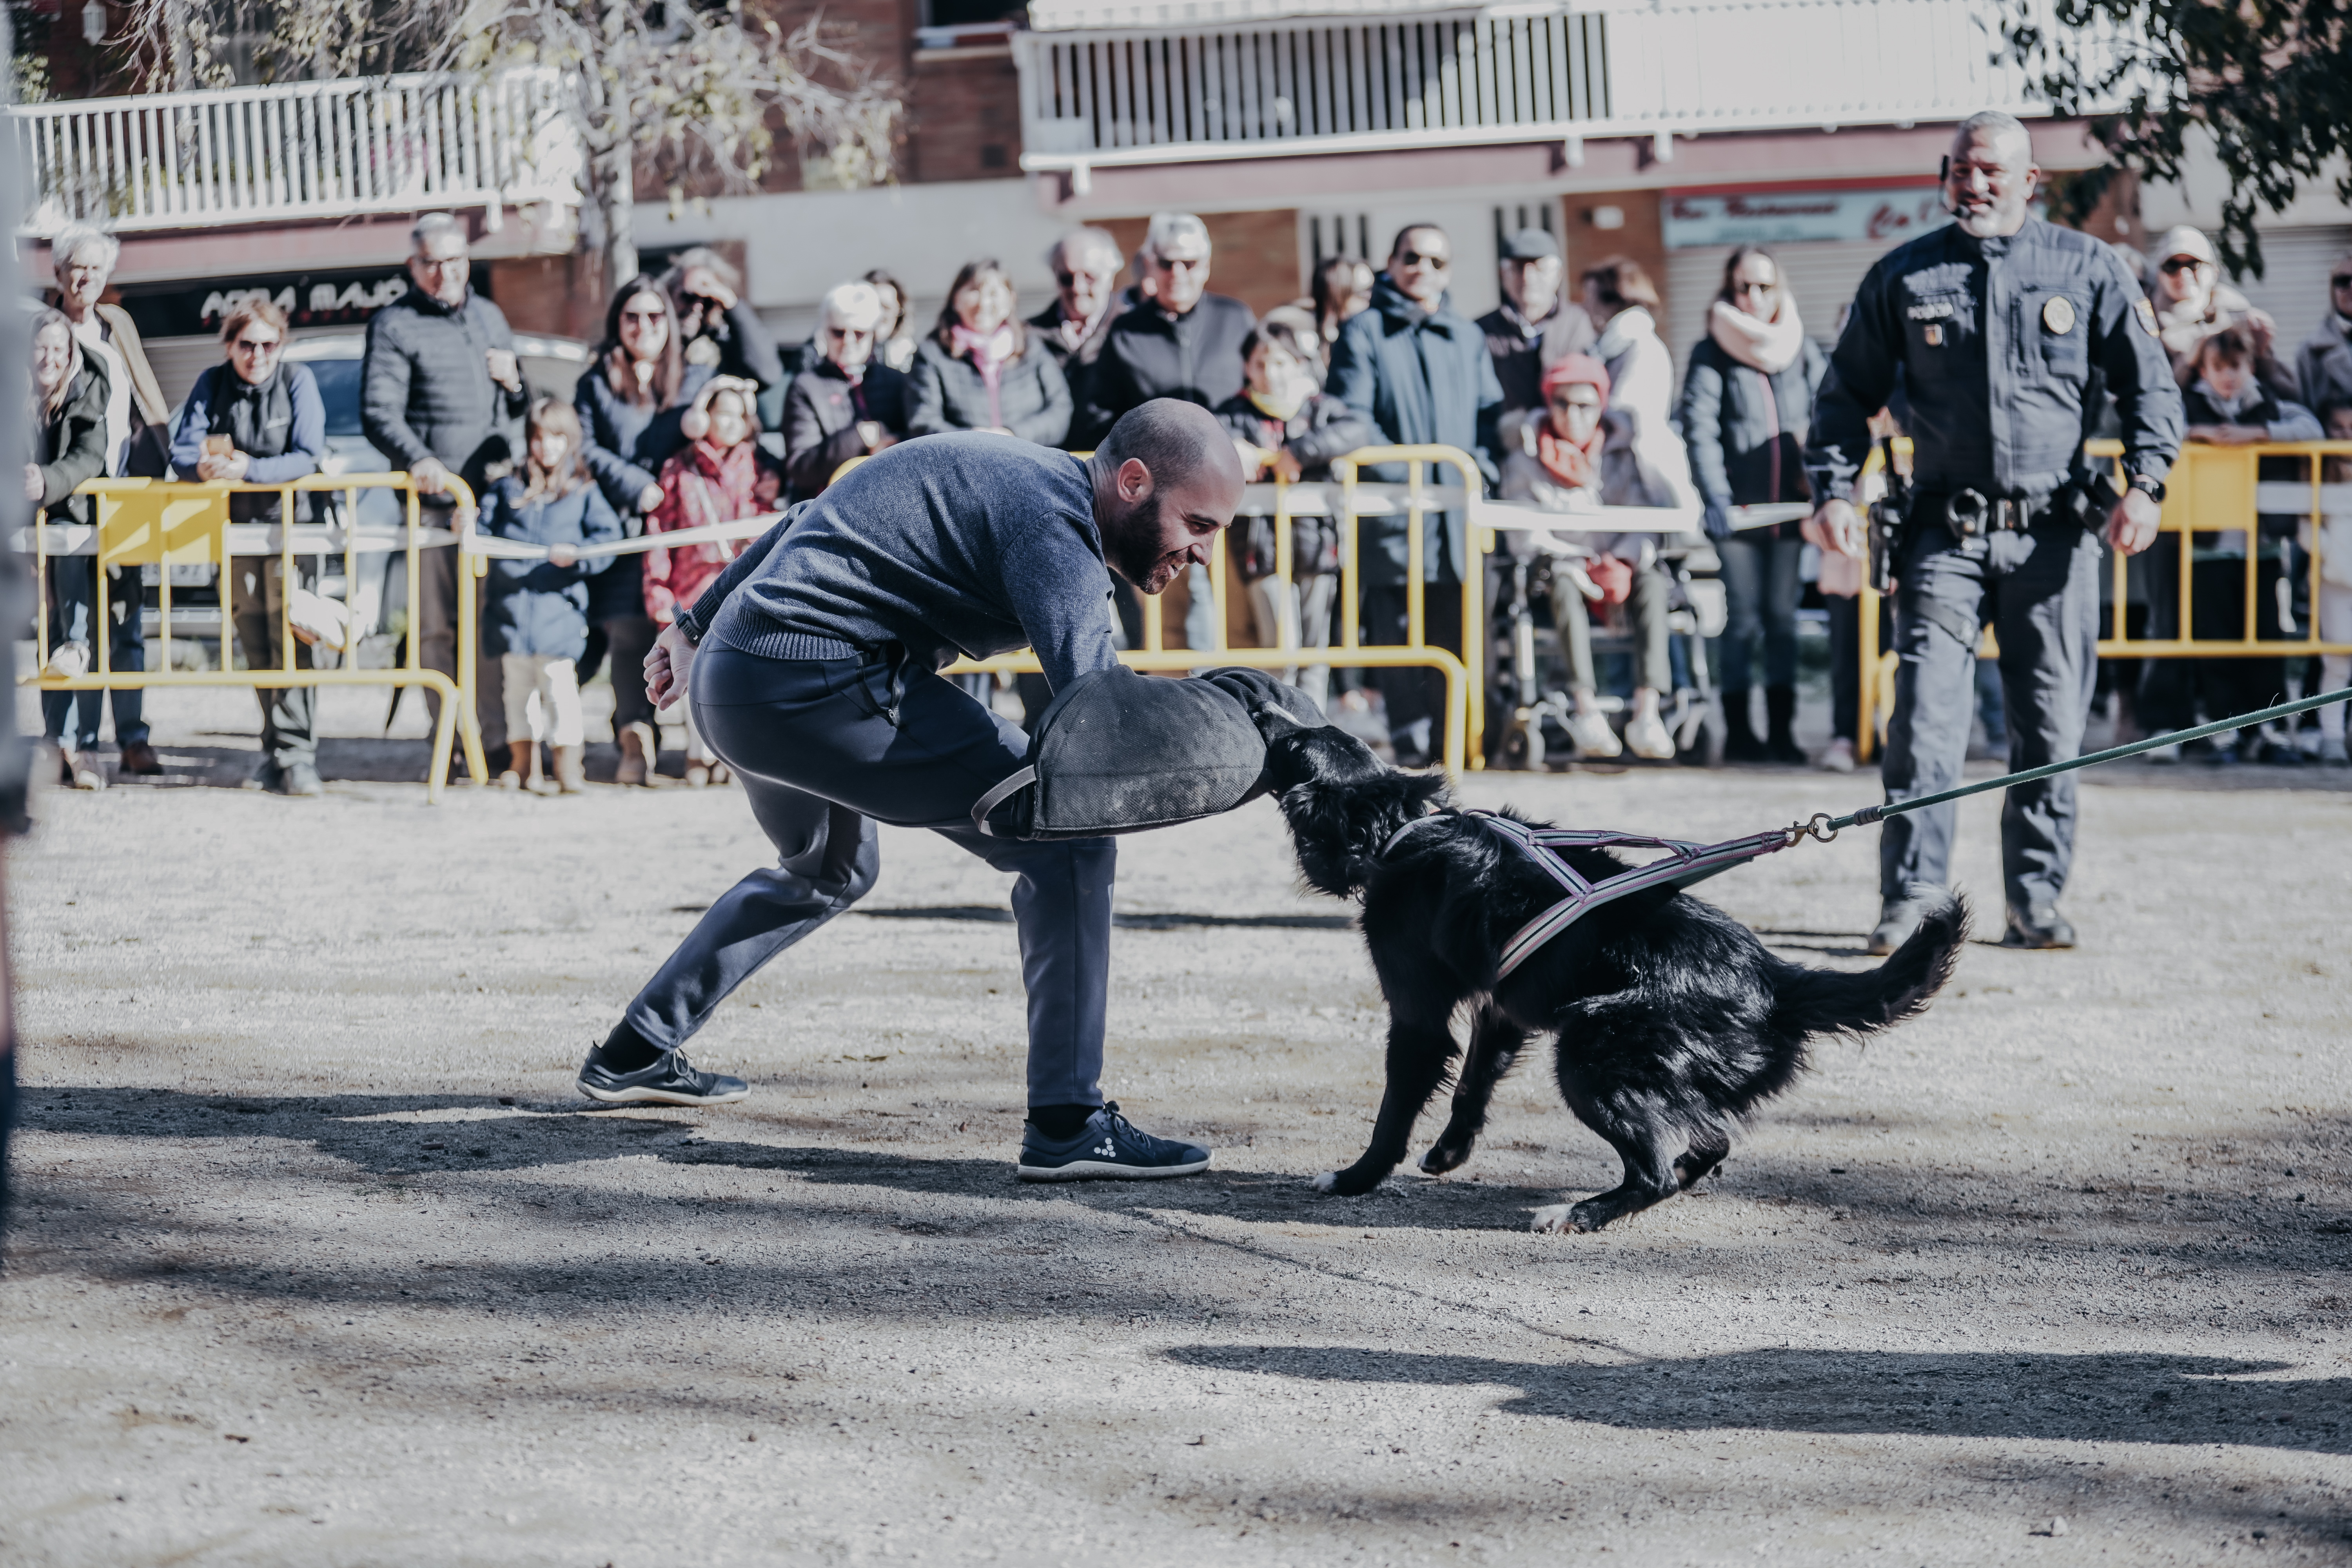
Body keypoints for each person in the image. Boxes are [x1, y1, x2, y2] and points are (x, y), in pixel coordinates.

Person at [574, 401, 1243, 1189]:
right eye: (1197, 524)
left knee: (829, 867)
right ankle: (1069, 1122)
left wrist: (696, 622)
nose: (1202, 554)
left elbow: (808, 514)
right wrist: (1261, 740)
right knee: (1069, 841)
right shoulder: (1057, 532)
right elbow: (1102, 722)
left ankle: (635, 1048)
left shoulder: (1018, 470)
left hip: (733, 677)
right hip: (813, 683)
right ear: (1133, 482)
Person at [1804, 111, 2183, 954]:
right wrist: (1832, 488)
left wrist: (2147, 484)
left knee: (2048, 730)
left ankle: (2036, 900)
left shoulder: (2088, 268)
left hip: (2054, 536)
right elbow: (1840, 399)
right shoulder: (1905, 272)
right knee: (1926, 728)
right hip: (1944, 537)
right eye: (1960, 170)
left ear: (2030, 180)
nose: (1973, 184)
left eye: (1991, 171)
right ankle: (1912, 901)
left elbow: (2150, 388)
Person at [1327, 221, 1504, 767]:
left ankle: (1459, 747)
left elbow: (1488, 420)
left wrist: (1481, 470)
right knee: (1399, 639)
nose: (1423, 269)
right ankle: (1409, 751)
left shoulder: (1467, 336)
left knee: (1459, 634)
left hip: (1458, 522)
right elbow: (1353, 420)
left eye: (1436, 261)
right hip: (1394, 520)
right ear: (1392, 262)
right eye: (1412, 258)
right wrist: (1416, 473)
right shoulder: (1364, 331)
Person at [361, 212, 529, 765]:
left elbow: (516, 408)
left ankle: (496, 740)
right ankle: (451, 745)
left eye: (454, 260)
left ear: (467, 261)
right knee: (439, 631)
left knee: (490, 629)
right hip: (436, 508)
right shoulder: (394, 323)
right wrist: (419, 458)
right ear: (414, 267)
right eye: (431, 262)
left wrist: (518, 381)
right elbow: (378, 412)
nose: (444, 273)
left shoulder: (490, 316)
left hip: (492, 505)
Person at [2138, 325, 2322, 765]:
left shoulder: (2267, 405)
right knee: (2216, 642)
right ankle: (2225, 729)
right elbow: (2161, 428)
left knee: (2266, 640)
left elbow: (2310, 427)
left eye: (2236, 368)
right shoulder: (2187, 405)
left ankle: (2271, 729)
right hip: (2207, 549)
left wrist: (2257, 434)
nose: (2228, 378)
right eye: (2218, 368)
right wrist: (2199, 433)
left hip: (2261, 548)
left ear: (2250, 367)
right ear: (2204, 368)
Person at [169, 298, 331, 795]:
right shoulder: (212, 383)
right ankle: (274, 749)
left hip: (291, 532)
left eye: (268, 344)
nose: (258, 354)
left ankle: (298, 753)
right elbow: (180, 448)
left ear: (282, 345)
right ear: (230, 345)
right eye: (247, 344)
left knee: (294, 641)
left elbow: (308, 455)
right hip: (236, 534)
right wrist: (201, 468)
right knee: (256, 643)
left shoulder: (297, 381)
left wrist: (249, 470)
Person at [1677, 244, 1827, 764]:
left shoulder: (1802, 348)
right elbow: (1700, 428)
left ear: (1779, 289)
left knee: (1782, 620)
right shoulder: (1711, 352)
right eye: (1744, 287)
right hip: (1737, 515)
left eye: (1764, 286)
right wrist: (1714, 495)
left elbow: (1826, 417)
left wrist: (1823, 484)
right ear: (1729, 291)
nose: (1754, 296)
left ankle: (1782, 734)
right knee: (1741, 620)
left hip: (1791, 513)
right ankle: (1739, 733)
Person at [1500, 355, 1681, 760]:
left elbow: (1644, 517)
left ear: (1601, 406)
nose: (1573, 415)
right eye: (1562, 403)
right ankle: (1585, 709)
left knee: (1654, 582)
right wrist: (1579, 563)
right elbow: (1524, 534)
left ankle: (1647, 712)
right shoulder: (1523, 459)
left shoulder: (1624, 454)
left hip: (1619, 568)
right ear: (1549, 405)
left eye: (1585, 405)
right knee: (1563, 585)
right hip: (1560, 570)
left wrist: (1622, 561)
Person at [49, 225, 167, 777]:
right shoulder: (42, 332)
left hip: (126, 491)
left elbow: (146, 396)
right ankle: (75, 743)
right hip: (68, 494)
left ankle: (135, 737)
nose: (85, 277)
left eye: (95, 267)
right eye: (76, 266)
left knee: (125, 619)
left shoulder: (118, 325)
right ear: (58, 274)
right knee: (73, 625)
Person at [1212, 317, 1374, 714]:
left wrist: (1300, 453)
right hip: (1261, 547)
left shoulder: (1321, 409)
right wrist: (1235, 449)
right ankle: (1282, 726)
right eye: (1261, 364)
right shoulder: (1234, 412)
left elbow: (1358, 429)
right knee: (1280, 648)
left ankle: (1314, 725)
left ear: (1299, 364)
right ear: (1248, 368)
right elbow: (1209, 438)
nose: (1272, 373)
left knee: (1315, 650)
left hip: (1317, 542)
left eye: (1281, 362)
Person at [479, 399, 623, 795]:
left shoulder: (583, 490)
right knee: (518, 695)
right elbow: (482, 528)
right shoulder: (508, 487)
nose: (547, 447)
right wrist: (467, 522)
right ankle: (522, 765)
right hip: (510, 616)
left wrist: (578, 557)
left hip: (558, 617)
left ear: (570, 440)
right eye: (539, 438)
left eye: (556, 437)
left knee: (561, 693)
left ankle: (568, 767)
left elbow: (608, 538)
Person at [647, 378, 783, 786]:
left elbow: (769, 529)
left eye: (738, 415)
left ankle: (729, 754)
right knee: (693, 670)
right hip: (690, 588)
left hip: (743, 588)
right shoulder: (678, 468)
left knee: (733, 672)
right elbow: (660, 531)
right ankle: (696, 754)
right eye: (721, 412)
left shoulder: (761, 470)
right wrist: (658, 589)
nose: (728, 423)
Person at [29, 309, 116, 790]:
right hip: (29, 540)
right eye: (42, 346)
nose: (51, 357)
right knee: (51, 642)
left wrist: (45, 480)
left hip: (81, 532)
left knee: (78, 641)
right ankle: (54, 743)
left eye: (60, 349)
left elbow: (89, 456)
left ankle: (86, 748)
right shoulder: (13, 398)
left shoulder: (88, 393)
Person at [907, 258, 1073, 447]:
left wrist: (1013, 435)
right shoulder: (932, 355)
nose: (984, 303)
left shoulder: (1032, 347)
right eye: (974, 291)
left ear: (1011, 301)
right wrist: (976, 440)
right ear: (956, 299)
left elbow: (1060, 411)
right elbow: (922, 422)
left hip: (1028, 464)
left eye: (994, 293)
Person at [781, 282, 913, 502]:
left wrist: (893, 443)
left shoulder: (896, 381)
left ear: (873, 334)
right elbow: (800, 468)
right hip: (828, 507)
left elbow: (921, 440)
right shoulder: (806, 386)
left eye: (859, 333)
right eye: (838, 332)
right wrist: (859, 436)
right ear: (824, 331)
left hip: (893, 501)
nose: (848, 342)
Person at [1583, 256, 1697, 506]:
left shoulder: (1641, 348)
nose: (1586, 307)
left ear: (1613, 300)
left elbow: (1628, 419)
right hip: (1618, 474)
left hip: (1638, 479)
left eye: (1590, 297)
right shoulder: (1610, 348)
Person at [2145, 225, 2295, 399]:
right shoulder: (2148, 322)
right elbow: (2155, 398)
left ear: (2214, 272)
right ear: (2160, 275)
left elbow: (2284, 392)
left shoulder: (2238, 312)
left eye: (2194, 265)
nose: (2183, 273)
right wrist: (2188, 361)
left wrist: (2262, 352)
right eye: (2172, 266)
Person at [663, 248, 787, 434]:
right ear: (670, 294)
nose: (697, 306)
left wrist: (733, 306)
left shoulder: (722, 345)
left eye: (707, 300)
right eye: (688, 297)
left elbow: (769, 373)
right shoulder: (657, 343)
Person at [1479, 228, 1597, 421]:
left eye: (1539, 268)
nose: (1528, 278)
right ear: (1503, 275)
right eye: (1518, 268)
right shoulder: (1482, 331)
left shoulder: (1581, 323)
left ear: (1558, 274)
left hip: (1568, 441)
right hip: (1506, 443)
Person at [1028, 228, 1127, 436]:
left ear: (1110, 275)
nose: (1078, 287)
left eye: (1089, 277)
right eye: (1066, 278)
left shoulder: (1132, 331)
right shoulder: (1028, 335)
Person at [2314, 400, 2352, 765]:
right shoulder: (2318, 472)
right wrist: (2328, 554)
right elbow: (2306, 527)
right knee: (2337, 659)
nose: (2345, 436)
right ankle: (2332, 736)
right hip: (2335, 580)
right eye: (2338, 427)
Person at [2294, 250, 2352, 421]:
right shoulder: (2311, 350)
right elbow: (2306, 413)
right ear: (2332, 289)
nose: (2351, 287)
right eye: (2343, 281)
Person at [1310, 256, 1375, 365]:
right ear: (1334, 297)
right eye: (1363, 293)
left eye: (1373, 289)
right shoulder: (1308, 346)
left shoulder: (1377, 335)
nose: (1372, 298)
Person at [864, 269, 920, 375]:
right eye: (873, 306)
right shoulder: (845, 352)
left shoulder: (911, 357)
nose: (879, 314)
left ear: (900, 314)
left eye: (887, 308)